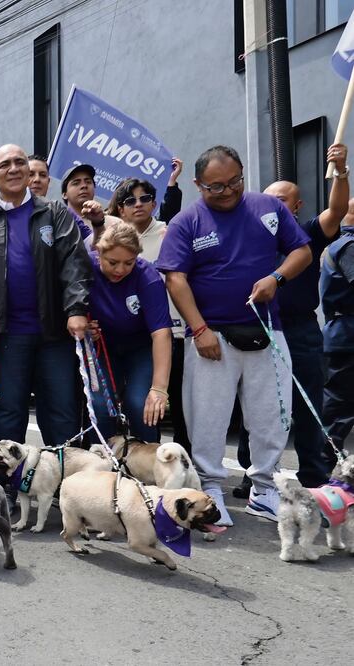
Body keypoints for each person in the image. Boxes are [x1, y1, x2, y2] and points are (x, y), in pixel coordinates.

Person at [156, 145, 312, 526]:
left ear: (243, 174)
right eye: (215, 187)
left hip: (266, 331)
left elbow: (302, 251)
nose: (226, 192)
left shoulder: (268, 209)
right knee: (207, 417)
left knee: (272, 415)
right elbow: (175, 279)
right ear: (198, 185)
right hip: (212, 337)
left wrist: (277, 278)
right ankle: (210, 488)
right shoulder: (186, 222)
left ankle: (264, 488)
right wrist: (199, 329)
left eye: (234, 182)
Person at [0, 144, 91, 450]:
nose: (13, 169)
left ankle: (65, 482)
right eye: (4, 165)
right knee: (10, 412)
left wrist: (76, 309)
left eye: (19, 162)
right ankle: (9, 485)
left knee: (61, 412)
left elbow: (75, 262)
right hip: (8, 336)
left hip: (55, 333)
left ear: (29, 172)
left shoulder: (55, 213)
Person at [233, 144, 348, 490]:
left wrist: (341, 171)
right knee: (256, 404)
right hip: (257, 328)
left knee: (307, 404)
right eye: (269, 199)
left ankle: (313, 476)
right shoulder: (248, 234)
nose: (274, 204)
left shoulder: (308, 234)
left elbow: (338, 210)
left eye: (282, 200)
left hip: (300, 331)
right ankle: (253, 476)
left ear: (296, 207)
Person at [108, 177, 189, 449]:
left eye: (145, 198)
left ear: (155, 203)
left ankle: (171, 463)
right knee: (125, 401)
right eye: (130, 200)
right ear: (120, 209)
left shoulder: (171, 232)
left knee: (179, 405)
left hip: (172, 332)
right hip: (129, 334)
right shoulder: (109, 239)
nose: (138, 204)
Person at [87, 220, 173, 441]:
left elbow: (161, 333)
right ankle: (102, 463)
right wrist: (84, 326)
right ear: (99, 253)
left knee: (140, 403)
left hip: (141, 348)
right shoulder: (85, 269)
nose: (120, 270)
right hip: (103, 347)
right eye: (113, 262)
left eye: (129, 263)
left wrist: (159, 389)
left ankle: (148, 464)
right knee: (100, 406)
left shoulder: (148, 277)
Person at [321, 201, 354, 454]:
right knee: (340, 407)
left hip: (343, 332)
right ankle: (327, 463)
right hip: (347, 335)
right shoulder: (349, 247)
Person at [61, 164, 104, 238]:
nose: (84, 186)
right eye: (76, 183)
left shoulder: (109, 222)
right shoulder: (59, 221)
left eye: (88, 182)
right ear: (64, 194)